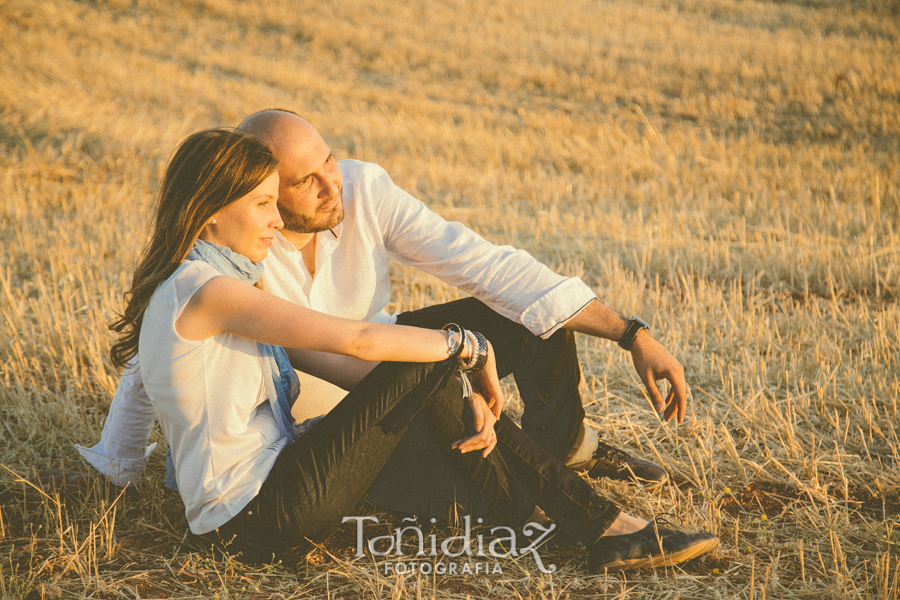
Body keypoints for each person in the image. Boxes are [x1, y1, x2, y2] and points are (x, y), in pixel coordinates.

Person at [97, 127, 716, 572]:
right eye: (268, 201)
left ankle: (547, 479)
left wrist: (627, 333)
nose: (322, 188)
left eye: (328, 163)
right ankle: (603, 524)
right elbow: (358, 341)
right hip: (268, 503)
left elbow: (345, 352)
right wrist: (465, 352)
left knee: (466, 431)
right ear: (211, 214)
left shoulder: (214, 276)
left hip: (300, 459)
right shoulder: (213, 287)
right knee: (428, 362)